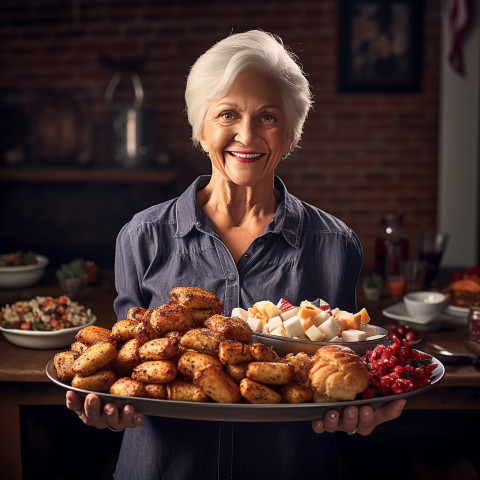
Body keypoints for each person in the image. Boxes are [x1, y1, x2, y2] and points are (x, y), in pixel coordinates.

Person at [66, 30, 406, 479]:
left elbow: (343, 368)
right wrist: (108, 406)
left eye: (268, 117)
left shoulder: (334, 243)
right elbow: (130, 362)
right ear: (200, 127)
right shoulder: (142, 236)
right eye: (227, 113)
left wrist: (362, 407)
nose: (247, 135)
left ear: (290, 132)